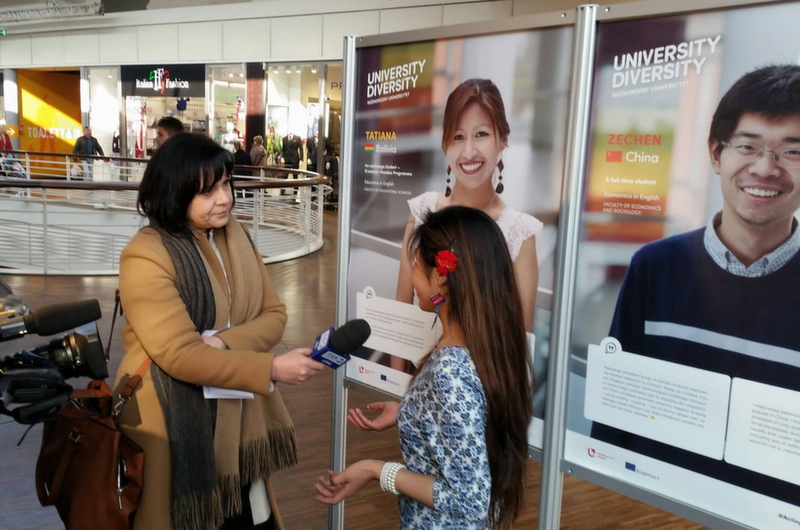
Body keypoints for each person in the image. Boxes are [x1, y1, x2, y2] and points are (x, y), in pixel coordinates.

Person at [592, 64, 800, 506]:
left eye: (791, 152)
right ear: (716, 154)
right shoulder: (654, 267)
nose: (766, 168)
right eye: (748, 145)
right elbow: (614, 415)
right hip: (648, 507)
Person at [114, 133, 325, 530]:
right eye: (207, 191)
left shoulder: (236, 237)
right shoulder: (146, 255)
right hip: (173, 418)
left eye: (226, 184)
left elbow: (275, 314)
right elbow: (180, 355)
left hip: (237, 408)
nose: (225, 198)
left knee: (245, 515)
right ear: (176, 194)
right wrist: (270, 369)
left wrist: (223, 342)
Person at [316, 206, 534, 530]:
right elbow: (468, 424)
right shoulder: (488, 347)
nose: (412, 280)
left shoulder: (451, 373)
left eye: (416, 267)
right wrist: (411, 412)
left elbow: (469, 497)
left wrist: (375, 469)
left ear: (441, 278)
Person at [393, 78, 542, 372]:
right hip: (418, 385)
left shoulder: (519, 231)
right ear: (445, 142)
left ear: (503, 139)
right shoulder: (422, 211)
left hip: (480, 396)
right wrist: (396, 389)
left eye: (482, 134)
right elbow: (402, 308)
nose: (469, 151)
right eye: (458, 136)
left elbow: (520, 341)